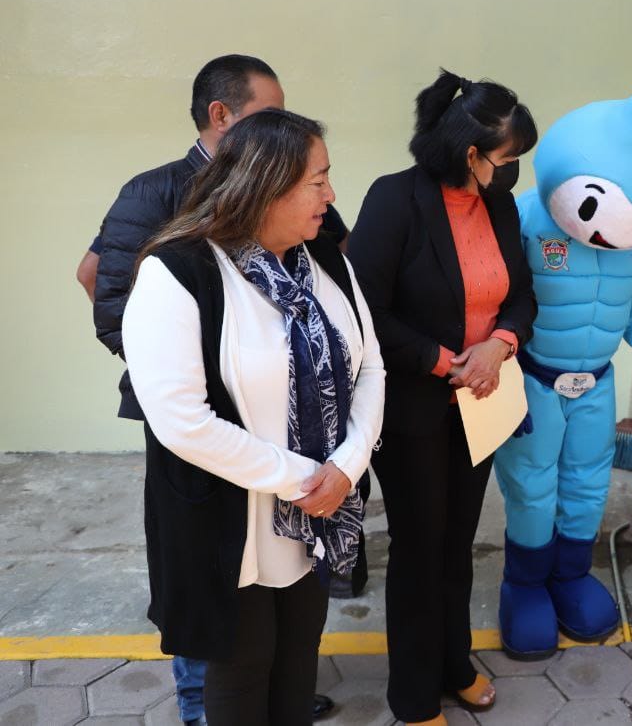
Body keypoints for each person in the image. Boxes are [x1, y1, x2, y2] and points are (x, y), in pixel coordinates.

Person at [82, 54, 341, 724]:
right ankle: (203, 703)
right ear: (222, 117)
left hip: (275, 425)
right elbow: (104, 285)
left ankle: (265, 693)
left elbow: (340, 315)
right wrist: (176, 368)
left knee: (268, 603)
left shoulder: (301, 222)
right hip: (196, 419)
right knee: (211, 572)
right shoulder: (156, 193)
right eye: (267, 113)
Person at [122, 109, 384, 726]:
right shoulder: (178, 271)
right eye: (317, 180)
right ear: (267, 184)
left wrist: (346, 467)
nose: (331, 195)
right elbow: (182, 420)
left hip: (318, 514)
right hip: (231, 524)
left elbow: (369, 366)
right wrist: (304, 480)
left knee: (296, 667)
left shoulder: (325, 261)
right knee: (239, 678)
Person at [494, 82, 632, 661]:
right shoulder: (522, 218)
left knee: (590, 484)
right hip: (532, 377)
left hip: (596, 381)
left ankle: (569, 576)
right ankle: (524, 585)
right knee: (532, 486)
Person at [346, 71, 538, 726]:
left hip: (481, 403)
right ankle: (413, 693)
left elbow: (521, 294)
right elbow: (364, 307)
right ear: (471, 154)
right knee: (421, 549)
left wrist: (501, 343)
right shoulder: (395, 200)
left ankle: (454, 663)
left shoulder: (500, 207)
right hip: (414, 414)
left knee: (458, 544)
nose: (513, 172)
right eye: (507, 159)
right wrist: (441, 360)